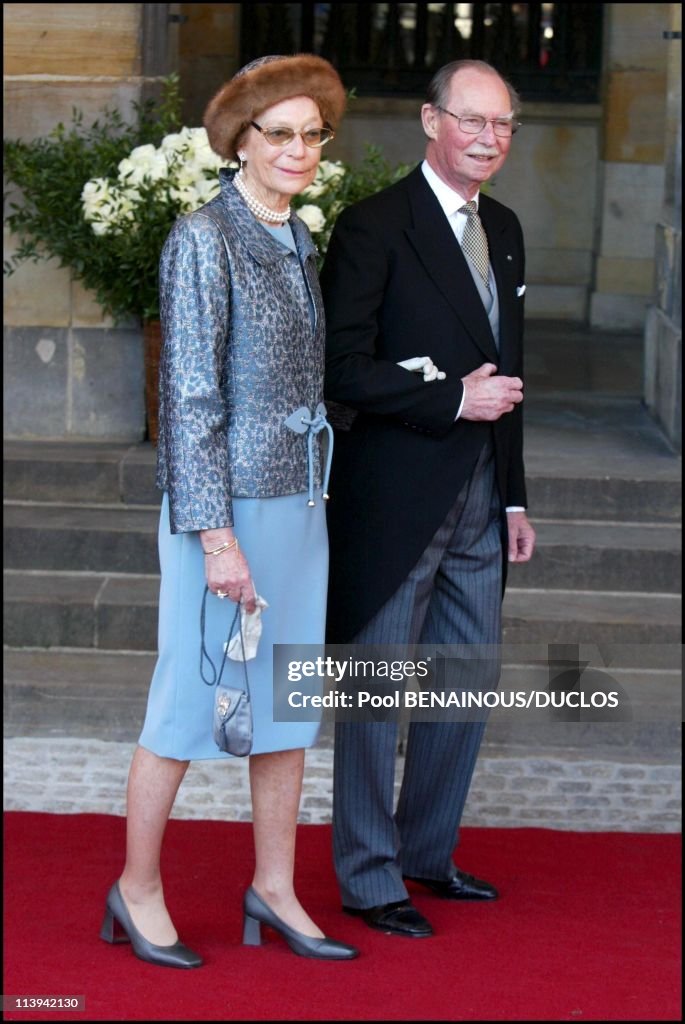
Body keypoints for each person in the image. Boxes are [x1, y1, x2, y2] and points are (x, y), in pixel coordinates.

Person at [100, 54, 358, 966]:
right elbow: (192, 398)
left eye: (311, 133)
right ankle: (135, 890)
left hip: (296, 500)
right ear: (240, 141)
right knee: (185, 702)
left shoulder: (294, 233)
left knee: (285, 707)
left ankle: (275, 888)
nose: (298, 149)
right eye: (278, 133)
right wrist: (215, 537)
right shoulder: (204, 237)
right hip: (227, 514)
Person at [320, 59, 536, 937]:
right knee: (377, 693)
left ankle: (425, 852)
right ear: (428, 120)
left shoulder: (509, 228)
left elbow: (512, 381)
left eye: (503, 126)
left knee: (463, 683)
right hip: (395, 496)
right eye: (471, 121)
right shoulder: (373, 227)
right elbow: (340, 371)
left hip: (483, 495)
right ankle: (368, 877)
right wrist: (449, 397)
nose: (489, 139)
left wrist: (515, 499)